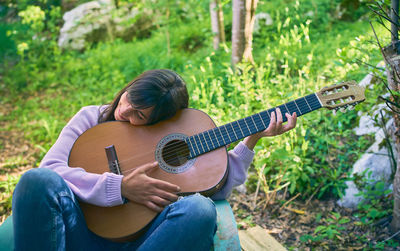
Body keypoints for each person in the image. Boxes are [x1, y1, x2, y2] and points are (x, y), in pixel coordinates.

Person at [11, 69, 297, 250]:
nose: (125, 112)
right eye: (128, 99)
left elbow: (217, 184)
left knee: (200, 209)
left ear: (158, 123)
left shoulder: (171, 139)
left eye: (140, 115)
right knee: (35, 179)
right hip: (80, 234)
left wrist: (251, 140)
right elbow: (51, 170)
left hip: (148, 241)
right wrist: (118, 186)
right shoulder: (90, 118)